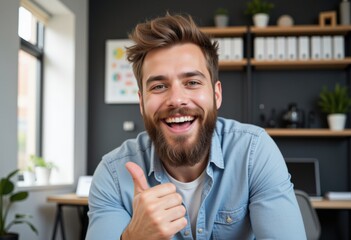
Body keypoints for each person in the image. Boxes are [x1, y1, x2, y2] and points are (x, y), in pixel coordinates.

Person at [86, 13, 306, 240]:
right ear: (142, 103)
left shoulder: (254, 152)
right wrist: (133, 237)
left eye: (192, 82)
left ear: (216, 94)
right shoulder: (112, 174)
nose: (177, 99)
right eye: (159, 86)